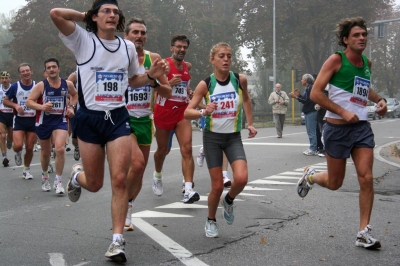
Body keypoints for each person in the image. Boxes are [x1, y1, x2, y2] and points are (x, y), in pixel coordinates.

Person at [50, 0, 167, 262]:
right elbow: (56, 13)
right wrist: (86, 15)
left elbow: (133, 79)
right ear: (95, 16)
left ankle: (117, 241)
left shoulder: (126, 46)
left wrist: (151, 76)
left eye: (116, 12)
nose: (112, 15)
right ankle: (77, 174)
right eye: (106, 11)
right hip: (89, 119)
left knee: (119, 180)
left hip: (117, 118)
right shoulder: (83, 40)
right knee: (95, 184)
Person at [298, 17, 387, 250]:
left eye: (364, 34)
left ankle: (363, 232)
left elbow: (364, 89)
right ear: (346, 39)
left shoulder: (367, 63)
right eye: (356, 35)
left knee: (366, 178)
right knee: (335, 183)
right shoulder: (336, 60)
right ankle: (311, 177)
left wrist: (380, 100)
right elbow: (316, 93)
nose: (362, 38)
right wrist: (342, 111)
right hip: (337, 128)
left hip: (361, 129)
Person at [184, 42, 257, 238]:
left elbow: (247, 99)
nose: (226, 59)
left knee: (241, 178)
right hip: (212, 139)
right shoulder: (206, 84)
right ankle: (211, 220)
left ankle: (229, 200)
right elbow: (187, 112)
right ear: (213, 60)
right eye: (221, 56)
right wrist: (203, 111)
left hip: (233, 137)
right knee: (217, 185)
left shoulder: (239, 80)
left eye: (229, 56)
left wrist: (250, 124)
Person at [123, 17, 172, 230]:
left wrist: (153, 80)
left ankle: (129, 206)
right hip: (123, 119)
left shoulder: (154, 59)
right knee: (137, 164)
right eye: (135, 32)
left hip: (145, 120)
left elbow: (167, 91)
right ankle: (122, 204)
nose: (139, 36)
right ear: (126, 36)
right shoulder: (119, 56)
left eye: (143, 33)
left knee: (139, 171)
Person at [152, 34, 200, 204]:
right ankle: (157, 175)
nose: (182, 50)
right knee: (162, 150)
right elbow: (155, 87)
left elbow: (185, 85)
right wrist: (169, 84)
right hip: (164, 112)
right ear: (171, 48)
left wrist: (189, 92)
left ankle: (188, 189)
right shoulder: (163, 65)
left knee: (187, 149)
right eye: (178, 46)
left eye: (184, 47)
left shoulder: (187, 66)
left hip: (182, 112)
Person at [26, 58, 78, 194]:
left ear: (58, 69)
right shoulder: (41, 86)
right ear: (45, 71)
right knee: (45, 152)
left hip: (60, 121)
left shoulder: (67, 84)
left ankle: (58, 181)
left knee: (60, 149)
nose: (51, 69)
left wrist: (71, 107)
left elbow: (75, 94)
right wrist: (42, 107)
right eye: (48, 68)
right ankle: (45, 178)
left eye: (54, 67)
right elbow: (29, 102)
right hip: (43, 123)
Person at [3, 63, 37, 179]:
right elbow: (5, 101)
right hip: (19, 120)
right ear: (20, 74)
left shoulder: (37, 86)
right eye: (23, 71)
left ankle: (26, 170)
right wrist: (16, 106)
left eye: (27, 70)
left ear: (31, 72)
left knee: (29, 147)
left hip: (33, 120)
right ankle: (17, 153)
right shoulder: (15, 86)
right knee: (17, 146)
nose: (26, 73)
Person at [289, 74, 318, 155]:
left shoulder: (311, 88)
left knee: (311, 131)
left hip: (311, 111)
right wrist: (299, 95)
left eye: (302, 79)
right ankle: (312, 147)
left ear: (306, 80)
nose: (301, 80)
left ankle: (313, 148)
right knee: (310, 131)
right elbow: (305, 99)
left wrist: (296, 97)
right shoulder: (308, 88)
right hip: (308, 111)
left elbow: (307, 101)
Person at [66, 71, 80, 161]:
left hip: (93, 109)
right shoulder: (75, 74)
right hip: (77, 108)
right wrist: (73, 97)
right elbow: (64, 89)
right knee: (75, 137)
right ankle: (77, 148)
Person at [0, 71, 13, 167]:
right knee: (2, 135)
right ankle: (4, 157)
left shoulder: (13, 88)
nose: (4, 80)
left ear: (9, 79)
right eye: (2, 78)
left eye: (6, 78)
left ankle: (9, 141)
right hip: (1, 113)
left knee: (10, 137)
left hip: (12, 114)